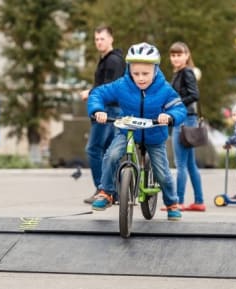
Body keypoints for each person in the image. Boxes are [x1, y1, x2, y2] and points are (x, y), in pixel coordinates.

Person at [87, 42, 186, 221]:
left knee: (162, 173)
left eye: (145, 74)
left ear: (155, 69)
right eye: (136, 73)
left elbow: (179, 108)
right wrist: (97, 110)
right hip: (127, 131)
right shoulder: (122, 85)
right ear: (129, 70)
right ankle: (106, 192)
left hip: (154, 135)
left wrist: (169, 116)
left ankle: (172, 203)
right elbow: (98, 94)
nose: (140, 78)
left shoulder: (164, 89)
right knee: (111, 156)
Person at [80, 25, 125, 204]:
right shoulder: (108, 59)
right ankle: (113, 192)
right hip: (109, 109)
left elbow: (109, 87)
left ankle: (102, 189)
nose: (99, 42)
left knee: (93, 149)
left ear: (111, 39)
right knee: (108, 152)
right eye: (96, 39)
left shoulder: (113, 61)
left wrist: (89, 93)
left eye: (102, 39)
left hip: (108, 110)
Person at [167, 41, 205, 211]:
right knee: (190, 164)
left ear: (187, 56)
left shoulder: (186, 72)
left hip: (183, 120)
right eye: (173, 55)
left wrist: (176, 104)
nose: (175, 58)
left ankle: (178, 201)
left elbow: (194, 95)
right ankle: (199, 202)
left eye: (179, 55)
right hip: (188, 119)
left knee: (180, 164)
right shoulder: (180, 73)